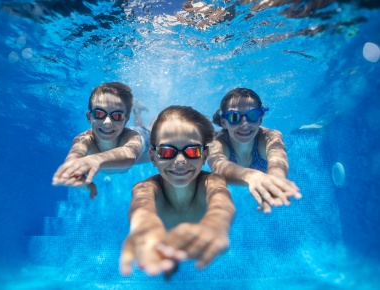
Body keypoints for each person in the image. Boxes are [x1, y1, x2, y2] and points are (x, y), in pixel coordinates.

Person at [120, 105, 235, 277]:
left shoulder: (211, 181)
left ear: (204, 156)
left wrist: (217, 224)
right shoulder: (146, 188)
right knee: (145, 132)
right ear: (153, 157)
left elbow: (221, 201)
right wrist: (143, 226)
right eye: (167, 152)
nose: (180, 161)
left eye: (193, 151)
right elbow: (141, 206)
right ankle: (138, 112)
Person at [208, 88, 301, 213]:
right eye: (234, 117)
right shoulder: (217, 142)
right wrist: (251, 176)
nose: (245, 124)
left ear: (260, 119)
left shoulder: (270, 136)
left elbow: (278, 157)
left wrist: (276, 179)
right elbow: (218, 166)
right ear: (224, 123)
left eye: (252, 115)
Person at [52, 82, 150, 199]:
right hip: (120, 162)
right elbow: (72, 162)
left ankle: (138, 110)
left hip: (144, 145)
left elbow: (130, 155)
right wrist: (81, 181)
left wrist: (97, 159)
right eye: (99, 113)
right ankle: (137, 110)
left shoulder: (132, 137)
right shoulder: (84, 140)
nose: (107, 122)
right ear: (89, 117)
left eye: (117, 115)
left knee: (154, 129)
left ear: (125, 120)